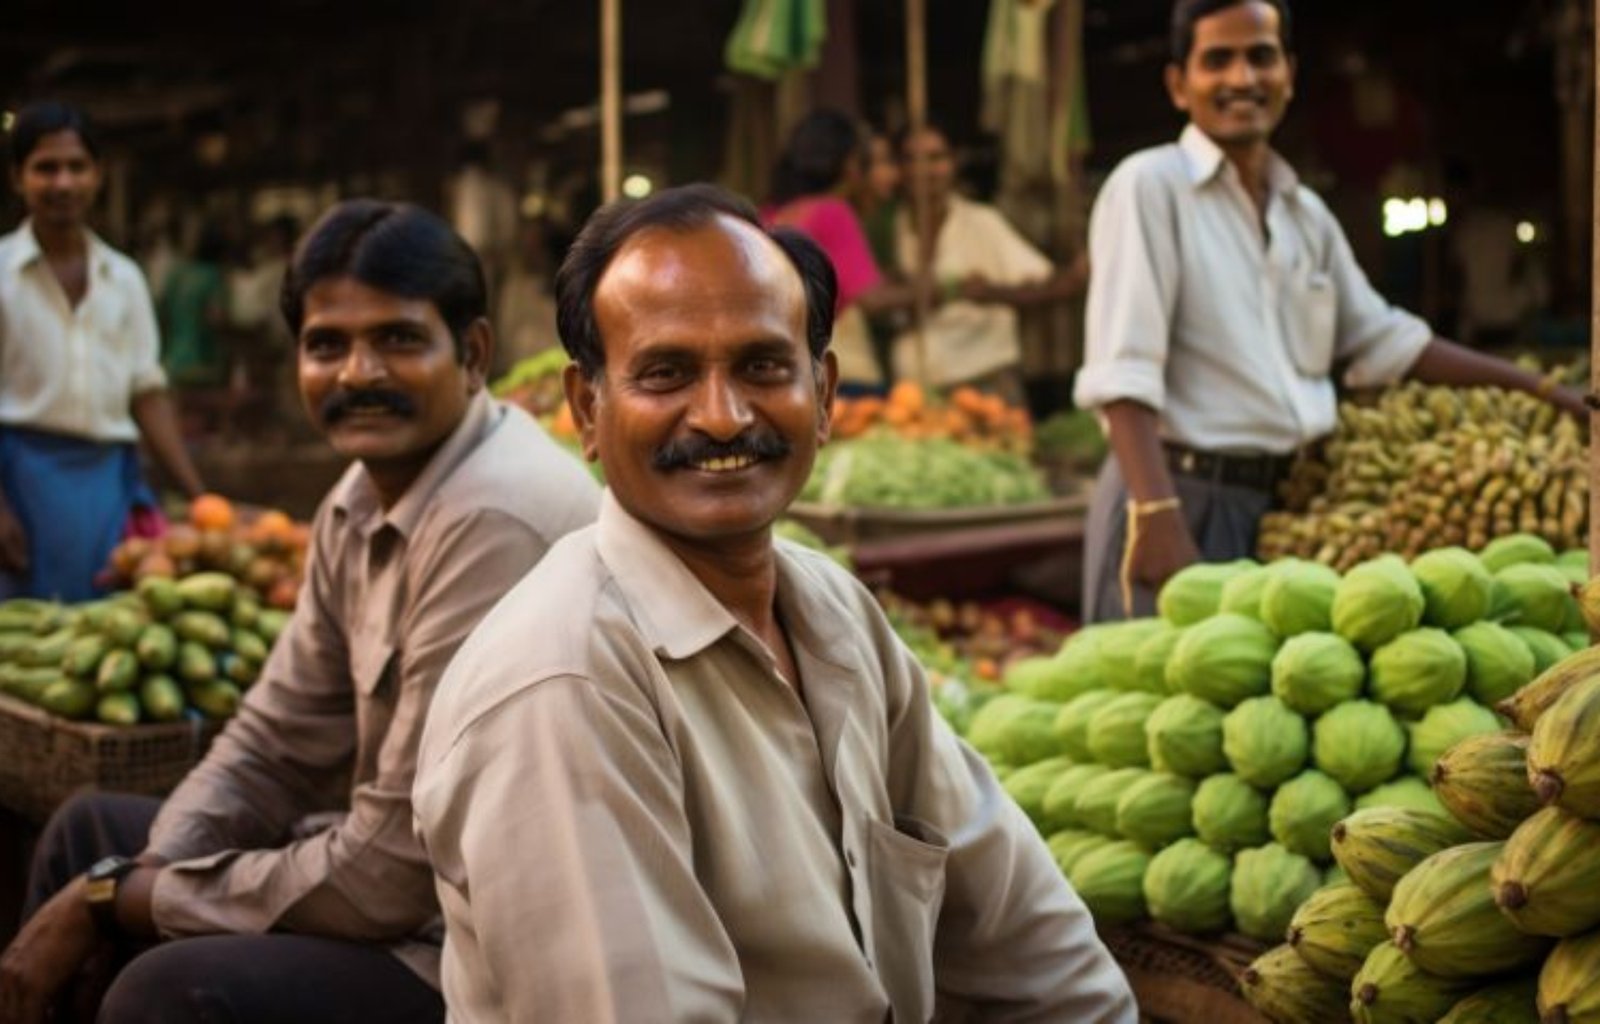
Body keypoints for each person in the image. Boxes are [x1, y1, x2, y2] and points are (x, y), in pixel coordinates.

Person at [413, 184, 1136, 1023]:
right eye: (666, 373)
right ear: (586, 409)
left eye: (762, 366)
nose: (722, 417)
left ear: (825, 395)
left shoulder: (834, 611)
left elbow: (1031, 940)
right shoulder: (563, 684)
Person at [0, 200, 601, 1024]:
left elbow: (394, 870)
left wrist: (128, 901)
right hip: (399, 892)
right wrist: (135, 879)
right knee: (88, 833)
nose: (358, 373)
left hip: (472, 950)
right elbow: (272, 740)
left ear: (473, 355)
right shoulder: (360, 497)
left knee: (163, 991)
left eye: (397, 338)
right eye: (327, 345)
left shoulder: (490, 516)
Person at [1073, 0, 1587, 624]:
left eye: (1260, 56)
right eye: (1218, 60)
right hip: (1174, 493)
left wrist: (1544, 390)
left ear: (1289, 73)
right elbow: (1122, 371)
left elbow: (1385, 339)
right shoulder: (1148, 186)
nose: (1241, 79)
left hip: (1278, 504)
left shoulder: (1303, 214)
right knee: (1145, 711)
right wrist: (1156, 515)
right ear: (1180, 85)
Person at [0, 102, 206, 602]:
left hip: (106, 487)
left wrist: (199, 496)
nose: (63, 183)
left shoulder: (125, 279)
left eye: (76, 166)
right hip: (20, 482)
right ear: (18, 178)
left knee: (105, 625)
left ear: (97, 176)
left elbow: (147, 395)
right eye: (46, 168)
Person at [891, 123, 1086, 402]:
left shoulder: (982, 222)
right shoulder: (890, 228)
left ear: (953, 163)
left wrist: (989, 293)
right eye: (911, 159)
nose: (924, 170)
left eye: (936, 158)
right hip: (912, 388)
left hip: (985, 377)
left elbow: (1049, 285)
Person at [764, 109, 924, 391]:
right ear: (851, 165)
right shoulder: (832, 212)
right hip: (824, 368)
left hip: (780, 368)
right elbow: (872, 300)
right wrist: (937, 289)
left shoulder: (774, 213)